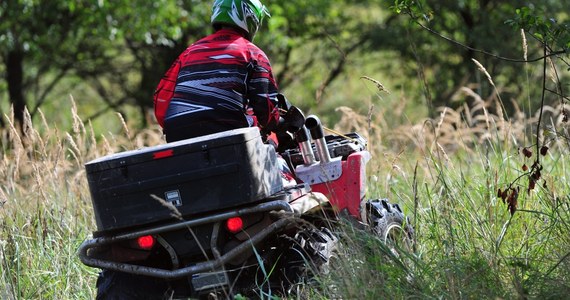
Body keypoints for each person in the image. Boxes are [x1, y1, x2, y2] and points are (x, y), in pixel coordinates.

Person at [153, 0, 280, 143]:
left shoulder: (189, 52)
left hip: (177, 135)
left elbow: (161, 99)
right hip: (229, 135)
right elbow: (265, 109)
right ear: (251, 18)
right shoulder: (253, 53)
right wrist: (277, 121)